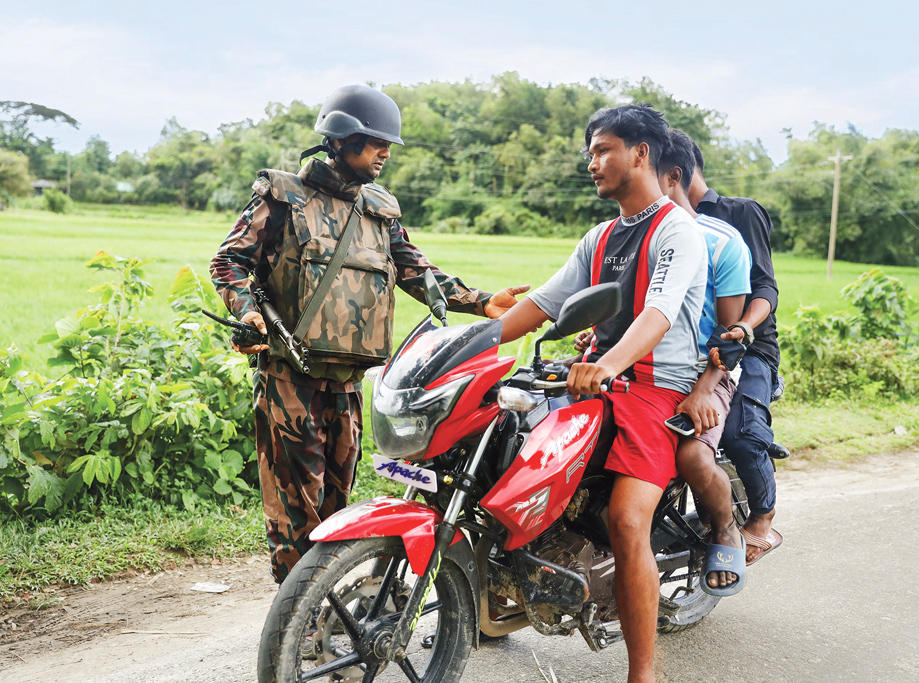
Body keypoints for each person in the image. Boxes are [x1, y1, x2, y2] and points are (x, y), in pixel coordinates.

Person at [209, 84, 527, 583]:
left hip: (348, 385)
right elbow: (229, 262)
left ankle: (324, 610)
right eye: (376, 142)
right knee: (297, 514)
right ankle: (301, 624)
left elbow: (414, 269)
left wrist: (481, 301)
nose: (384, 153)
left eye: (387, 145)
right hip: (289, 378)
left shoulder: (379, 210)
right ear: (341, 137)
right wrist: (249, 313)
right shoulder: (284, 197)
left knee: (337, 510)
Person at [500, 104, 706, 683]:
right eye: (590, 151)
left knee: (625, 519)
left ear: (640, 154)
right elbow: (543, 303)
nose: (591, 163)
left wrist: (609, 364)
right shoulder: (602, 235)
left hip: (655, 388)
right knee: (505, 453)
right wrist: (473, 339)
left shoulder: (676, 230)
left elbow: (659, 314)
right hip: (597, 376)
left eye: (602, 150)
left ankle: (646, 670)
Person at [687, 141, 784, 564]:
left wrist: (743, 327)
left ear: (677, 168)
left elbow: (765, 286)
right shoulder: (658, 222)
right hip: (688, 349)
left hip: (749, 346)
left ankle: (762, 521)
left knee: (740, 435)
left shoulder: (739, 212)